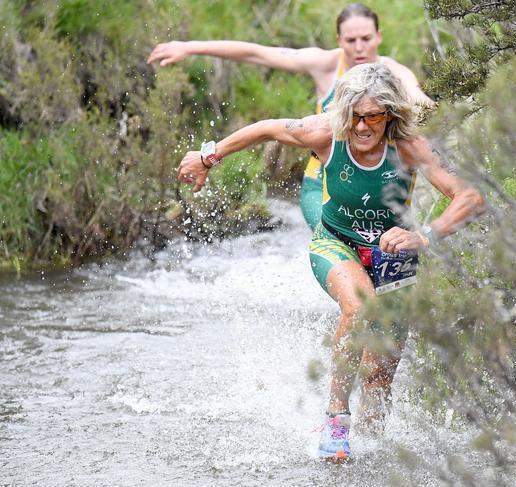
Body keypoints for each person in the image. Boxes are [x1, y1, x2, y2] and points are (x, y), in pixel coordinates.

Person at [176, 63, 484, 461]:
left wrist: (423, 235)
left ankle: (371, 452)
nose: (360, 127)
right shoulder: (326, 133)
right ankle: (336, 420)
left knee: (379, 373)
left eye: (372, 116)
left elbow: (470, 197)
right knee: (359, 308)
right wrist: (208, 156)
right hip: (336, 242)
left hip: (395, 257)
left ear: (389, 115)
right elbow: (268, 127)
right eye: (353, 116)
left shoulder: (409, 147)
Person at [147, 3, 435, 231]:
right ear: (339, 40)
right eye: (351, 40)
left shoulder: (393, 72)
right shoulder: (324, 64)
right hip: (323, 175)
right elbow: (257, 53)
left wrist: (432, 108)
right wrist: (190, 47)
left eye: (366, 39)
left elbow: (418, 98)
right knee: (339, 239)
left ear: (379, 37)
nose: (359, 47)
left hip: (379, 179)